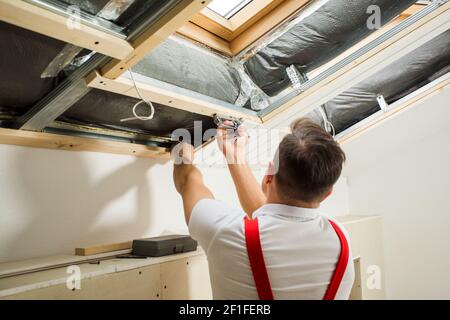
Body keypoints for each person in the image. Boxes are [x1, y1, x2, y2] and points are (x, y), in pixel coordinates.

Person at [172, 118, 354, 300]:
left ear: (269, 175)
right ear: (327, 193)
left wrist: (182, 152)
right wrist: (235, 157)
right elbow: (271, 220)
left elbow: (187, 181)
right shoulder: (340, 238)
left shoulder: (226, 232)